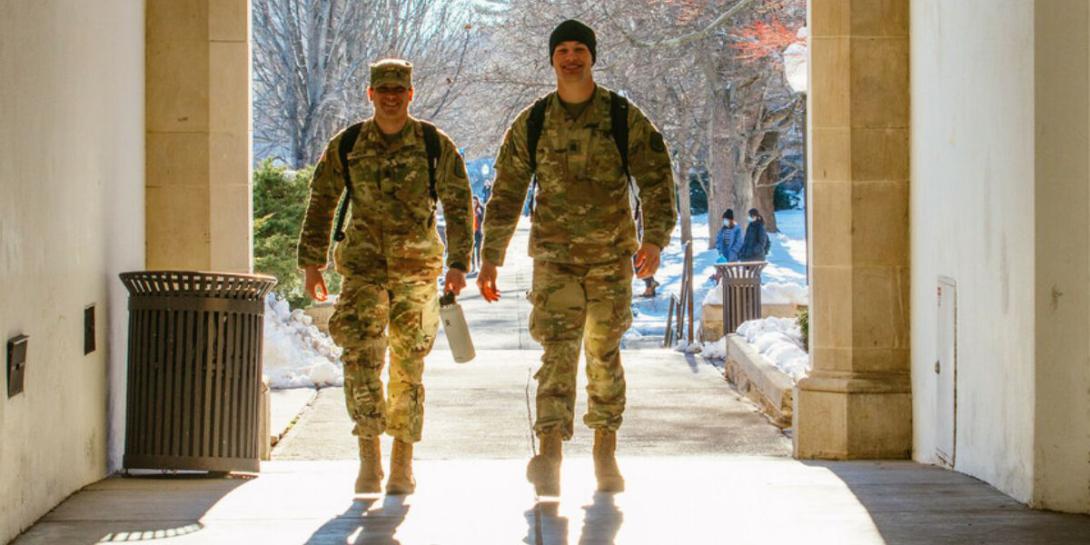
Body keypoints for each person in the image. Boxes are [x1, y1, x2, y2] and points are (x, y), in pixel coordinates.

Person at [477, 19, 677, 496]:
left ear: (592, 57)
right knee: (557, 353)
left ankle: (605, 450)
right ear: (552, 59)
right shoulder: (534, 121)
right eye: (562, 50)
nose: (571, 58)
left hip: (611, 258)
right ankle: (549, 452)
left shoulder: (623, 117)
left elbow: (656, 178)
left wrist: (654, 241)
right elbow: (506, 192)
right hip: (555, 259)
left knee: (603, 354)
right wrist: (490, 257)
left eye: (579, 50)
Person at [297, 59, 473, 496]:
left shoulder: (434, 144)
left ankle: (402, 462)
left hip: (417, 275)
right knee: (360, 363)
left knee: (408, 370)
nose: (391, 96)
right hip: (362, 272)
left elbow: (458, 201)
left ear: (411, 94)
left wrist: (459, 264)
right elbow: (322, 199)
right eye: (383, 89)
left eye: (399, 89)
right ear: (370, 94)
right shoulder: (349, 144)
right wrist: (311, 262)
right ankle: (369, 457)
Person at [634, 206, 660, 297]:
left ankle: (650, 286)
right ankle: (650, 285)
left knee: (638, 263)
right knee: (638, 263)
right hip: (637, 237)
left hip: (638, 240)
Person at [471, 195, 485, 274]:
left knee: (478, 249)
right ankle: (473, 265)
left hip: (478, 232)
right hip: (471, 232)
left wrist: (479, 213)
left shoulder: (481, 209)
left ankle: (479, 265)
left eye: (475, 202)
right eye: (472, 202)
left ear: (477, 202)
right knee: (472, 250)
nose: (474, 203)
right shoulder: (469, 209)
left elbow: (483, 219)